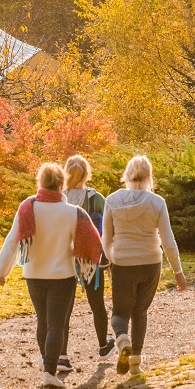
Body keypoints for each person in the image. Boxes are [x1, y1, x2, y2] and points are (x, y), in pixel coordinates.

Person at [0, 161, 102, 389]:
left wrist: (1, 271)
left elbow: (12, 240)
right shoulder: (73, 212)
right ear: (62, 184)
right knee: (56, 325)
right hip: (62, 276)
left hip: (33, 275)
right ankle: (49, 371)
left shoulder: (27, 207)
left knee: (42, 321)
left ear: (40, 182)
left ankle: (47, 365)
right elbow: (94, 242)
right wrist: (90, 267)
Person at [102, 154, 187, 377]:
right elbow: (168, 240)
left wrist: (112, 260)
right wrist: (178, 272)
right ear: (150, 176)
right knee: (140, 311)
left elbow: (106, 239)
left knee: (120, 312)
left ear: (126, 176)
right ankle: (135, 364)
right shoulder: (157, 202)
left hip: (122, 263)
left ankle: (122, 341)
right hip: (151, 262)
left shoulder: (112, 200)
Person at [59, 154, 115, 373]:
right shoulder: (96, 198)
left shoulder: (58, 198)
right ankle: (103, 346)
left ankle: (62, 355)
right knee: (97, 304)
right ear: (87, 174)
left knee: (64, 308)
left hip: (64, 259)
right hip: (93, 261)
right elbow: (109, 228)